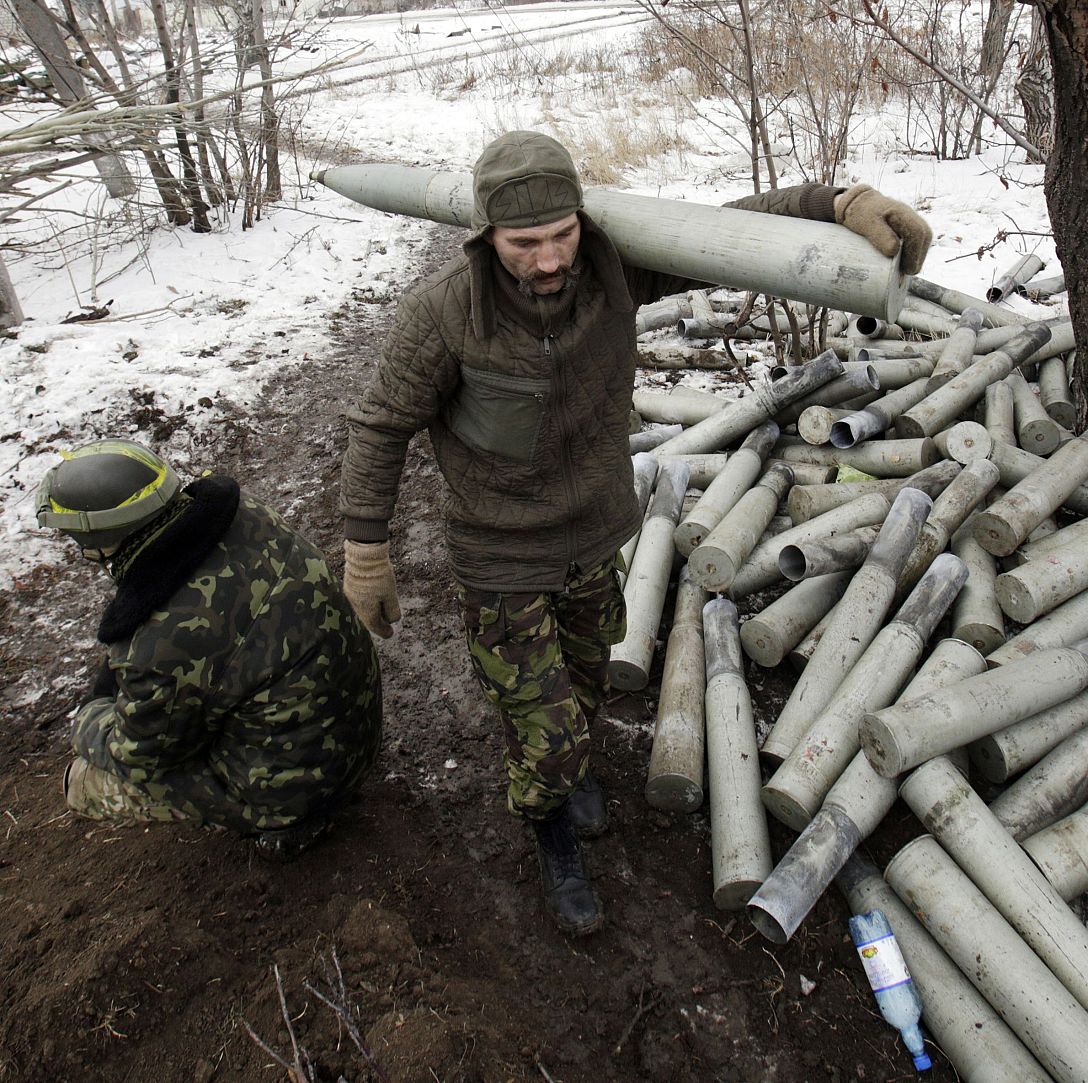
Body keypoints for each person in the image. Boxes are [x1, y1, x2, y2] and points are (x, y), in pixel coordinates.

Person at [338, 130, 931, 936]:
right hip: (500, 552)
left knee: (583, 682)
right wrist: (365, 547)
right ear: (485, 235)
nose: (549, 261)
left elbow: (731, 233)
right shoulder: (444, 312)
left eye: (561, 236)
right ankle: (551, 826)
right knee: (542, 730)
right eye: (524, 244)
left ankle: (568, 763)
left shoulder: (616, 268)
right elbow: (379, 426)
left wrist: (837, 204)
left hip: (595, 534)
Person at [34, 439, 383, 860]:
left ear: (98, 540)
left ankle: (291, 820)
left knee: (84, 782)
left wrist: (89, 714)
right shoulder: (243, 515)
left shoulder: (162, 641)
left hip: (303, 784)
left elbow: (140, 756)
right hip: (357, 729)